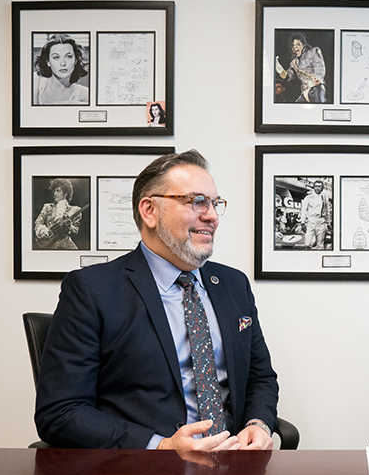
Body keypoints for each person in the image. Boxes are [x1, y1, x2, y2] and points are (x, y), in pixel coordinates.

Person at [34, 150, 279, 450]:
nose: (212, 216)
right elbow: (60, 412)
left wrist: (258, 423)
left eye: (215, 203)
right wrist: (161, 447)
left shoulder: (233, 284)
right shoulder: (92, 290)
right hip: (145, 470)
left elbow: (260, 377)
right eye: (196, 201)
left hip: (234, 461)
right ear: (149, 210)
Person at [33, 33, 89, 105]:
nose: (63, 63)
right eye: (56, 57)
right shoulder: (35, 81)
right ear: (48, 62)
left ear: (76, 60)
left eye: (68, 56)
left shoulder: (85, 94)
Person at [275, 33, 327, 103]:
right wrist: (279, 68)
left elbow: (319, 68)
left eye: (298, 44)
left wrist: (316, 80)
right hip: (305, 92)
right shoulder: (294, 63)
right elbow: (287, 77)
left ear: (303, 45)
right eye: (293, 45)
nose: (295, 47)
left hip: (316, 89)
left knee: (318, 108)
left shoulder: (313, 52)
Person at [33, 178, 83, 250]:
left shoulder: (74, 210)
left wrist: (70, 226)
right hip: (49, 245)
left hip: (67, 246)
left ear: (65, 193)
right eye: (54, 191)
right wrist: (42, 231)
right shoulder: (47, 207)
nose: (54, 193)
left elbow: (76, 231)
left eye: (58, 191)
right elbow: (38, 222)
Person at [299, 179, 330, 250]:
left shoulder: (325, 198)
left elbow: (327, 211)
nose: (317, 188)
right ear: (313, 187)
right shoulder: (308, 197)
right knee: (307, 244)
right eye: (316, 186)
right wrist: (302, 222)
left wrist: (328, 223)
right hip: (311, 221)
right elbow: (303, 210)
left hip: (321, 222)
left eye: (319, 186)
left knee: (320, 245)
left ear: (322, 188)